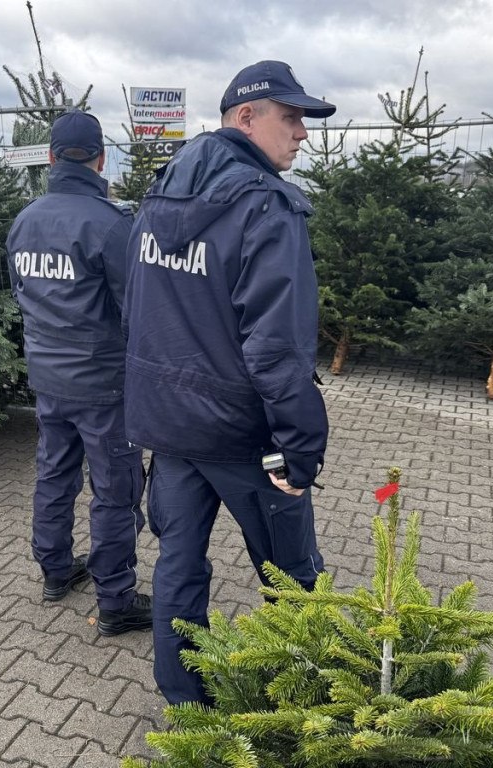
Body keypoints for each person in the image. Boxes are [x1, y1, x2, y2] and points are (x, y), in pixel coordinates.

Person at [122, 61, 334, 702]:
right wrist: (301, 447)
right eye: (291, 117)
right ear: (247, 117)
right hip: (246, 437)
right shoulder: (267, 206)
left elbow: (136, 312)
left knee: (179, 565)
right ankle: (306, 706)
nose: (302, 132)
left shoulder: (159, 195)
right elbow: (277, 348)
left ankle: (187, 702)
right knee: (292, 573)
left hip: (172, 427)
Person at [6, 109, 152, 637]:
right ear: (101, 158)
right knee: (115, 490)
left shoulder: (24, 221)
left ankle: (53, 570)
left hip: (47, 379)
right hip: (103, 385)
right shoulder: (111, 224)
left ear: (50, 156)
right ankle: (115, 600)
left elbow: (24, 296)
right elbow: (137, 310)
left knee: (54, 474)